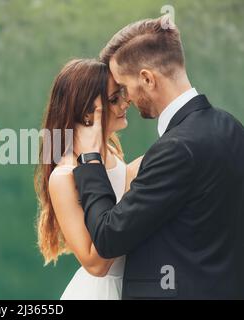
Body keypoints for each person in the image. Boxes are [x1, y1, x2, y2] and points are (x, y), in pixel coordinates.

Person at [74, 15, 244, 299]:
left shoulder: (175, 149)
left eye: (124, 87)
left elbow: (107, 237)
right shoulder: (232, 127)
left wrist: (90, 160)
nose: (125, 100)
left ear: (147, 79)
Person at [34, 58, 142, 299]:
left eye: (122, 93)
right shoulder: (64, 176)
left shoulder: (112, 152)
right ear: (86, 113)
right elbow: (96, 264)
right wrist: (136, 183)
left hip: (134, 284)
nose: (127, 102)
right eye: (114, 99)